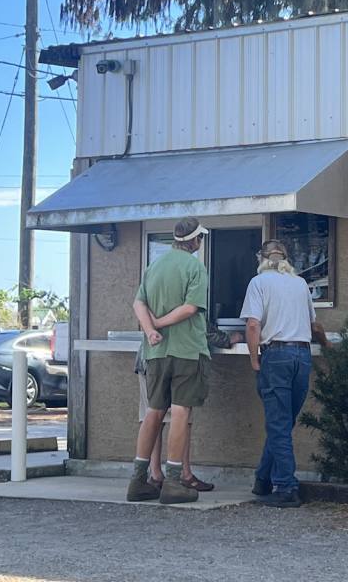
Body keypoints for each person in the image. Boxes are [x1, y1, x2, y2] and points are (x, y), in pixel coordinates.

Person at [126, 216, 212, 505]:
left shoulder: (154, 267)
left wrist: (151, 330)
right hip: (187, 349)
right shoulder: (195, 267)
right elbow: (191, 307)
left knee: (153, 412)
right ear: (196, 240)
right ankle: (174, 481)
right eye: (201, 239)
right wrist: (162, 322)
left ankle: (139, 481)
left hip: (155, 353)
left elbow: (138, 303)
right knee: (180, 412)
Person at [241, 239, 330, 508]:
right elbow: (315, 326)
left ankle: (286, 487)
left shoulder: (258, 283)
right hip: (302, 356)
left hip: (276, 355)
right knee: (284, 422)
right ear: (287, 259)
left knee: (278, 424)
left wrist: (254, 359)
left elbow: (254, 325)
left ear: (262, 258)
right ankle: (263, 479)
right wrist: (328, 348)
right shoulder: (300, 284)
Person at [133, 322, 243, 493]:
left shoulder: (152, 298)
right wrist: (227, 338)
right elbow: (198, 325)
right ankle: (183, 475)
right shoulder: (184, 297)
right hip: (176, 360)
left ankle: (155, 475)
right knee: (181, 418)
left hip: (148, 358)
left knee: (152, 418)